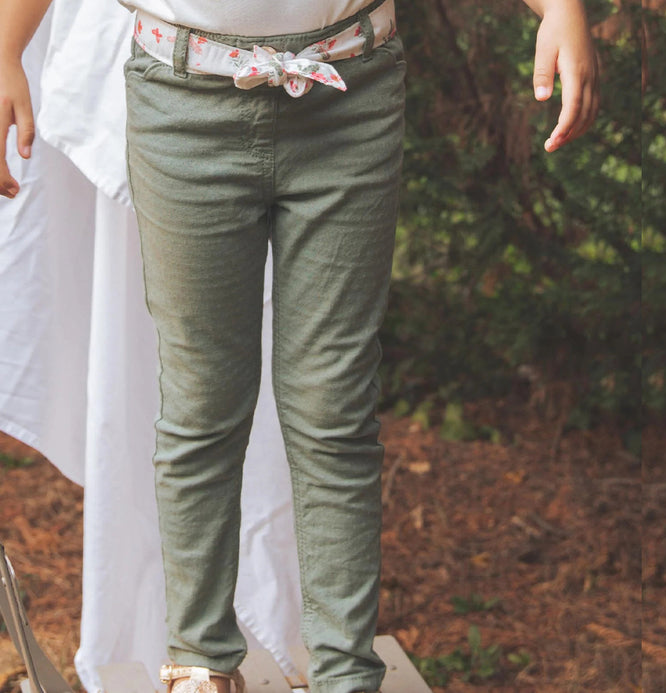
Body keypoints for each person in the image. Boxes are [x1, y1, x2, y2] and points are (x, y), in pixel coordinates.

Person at [0, 1, 599, 692]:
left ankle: (346, 672)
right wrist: (7, 48)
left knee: (332, 406)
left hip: (350, 98)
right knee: (200, 402)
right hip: (182, 104)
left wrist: (560, 8)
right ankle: (200, 660)